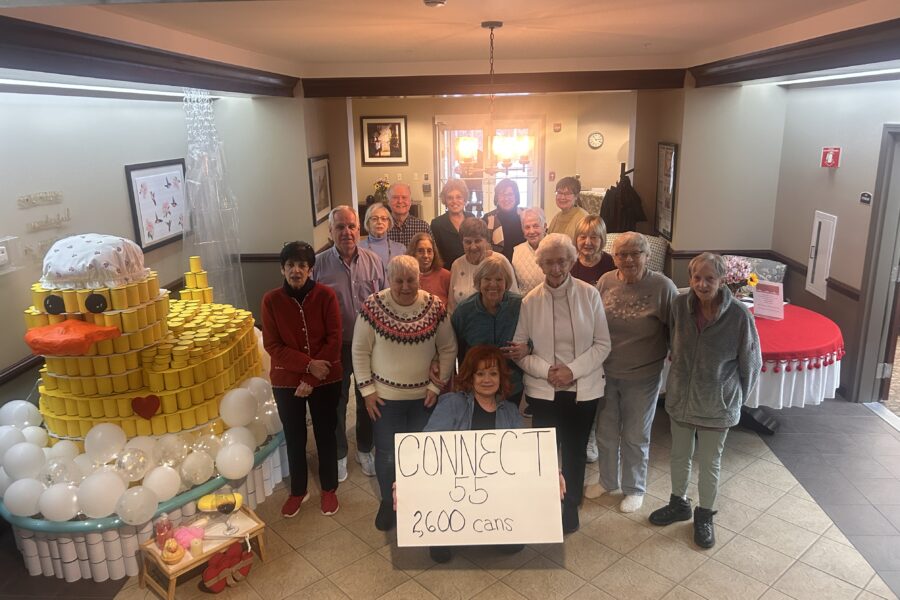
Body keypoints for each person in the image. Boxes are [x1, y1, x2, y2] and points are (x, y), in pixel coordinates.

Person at [648, 252, 761, 548]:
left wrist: (736, 399)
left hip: (717, 404)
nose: (702, 284)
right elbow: (673, 341)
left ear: (722, 280)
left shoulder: (738, 316)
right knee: (679, 456)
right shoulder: (678, 306)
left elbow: (751, 362)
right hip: (682, 398)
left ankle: (705, 514)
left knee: (710, 463)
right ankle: (679, 503)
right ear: (690, 279)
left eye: (710, 278)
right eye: (697, 278)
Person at [513, 233, 611, 534]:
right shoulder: (530, 301)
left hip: (584, 388)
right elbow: (518, 350)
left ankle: (569, 506)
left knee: (575, 449)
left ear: (571, 261)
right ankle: (544, 502)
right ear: (540, 265)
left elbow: (602, 344)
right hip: (544, 391)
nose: (556, 268)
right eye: (549, 262)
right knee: (544, 451)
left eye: (562, 261)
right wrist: (546, 371)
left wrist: (571, 371)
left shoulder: (589, 294)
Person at [352, 255, 457, 532]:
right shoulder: (373, 306)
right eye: (399, 280)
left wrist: (437, 385)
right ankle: (390, 502)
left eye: (411, 279)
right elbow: (359, 350)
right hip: (385, 400)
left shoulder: (434, 306)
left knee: (421, 456)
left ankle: (419, 503)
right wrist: (367, 390)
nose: (405, 286)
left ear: (419, 278)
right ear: (389, 279)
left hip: (425, 399)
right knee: (387, 455)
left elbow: (448, 348)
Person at [586, 232, 678, 514]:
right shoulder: (606, 281)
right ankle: (607, 481)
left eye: (635, 253)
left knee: (636, 435)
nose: (627, 259)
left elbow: (676, 332)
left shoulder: (663, 287)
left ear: (647, 256)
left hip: (643, 375)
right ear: (613, 257)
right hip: (605, 372)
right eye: (621, 254)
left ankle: (634, 488)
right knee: (606, 431)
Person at [421, 345, 525, 563]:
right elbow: (427, 444)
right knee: (440, 554)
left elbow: (524, 454)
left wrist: (552, 472)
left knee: (514, 546)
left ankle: (488, 521)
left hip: (495, 487)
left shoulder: (511, 413)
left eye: (493, 373)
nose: (487, 379)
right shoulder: (452, 404)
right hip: (453, 487)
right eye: (480, 373)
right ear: (470, 376)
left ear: (501, 377)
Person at [261, 242, 343, 518]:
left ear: (310, 269)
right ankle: (299, 490)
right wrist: (307, 366)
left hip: (325, 376)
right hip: (287, 380)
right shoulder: (270, 300)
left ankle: (329, 487)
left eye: (302, 265)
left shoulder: (326, 295)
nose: (296, 270)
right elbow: (273, 345)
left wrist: (312, 376)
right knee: (295, 437)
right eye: (290, 265)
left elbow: (334, 339)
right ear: (282, 269)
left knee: (325, 433)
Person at [313, 206, 385, 483]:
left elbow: (383, 304)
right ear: (330, 232)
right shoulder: (318, 266)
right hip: (336, 346)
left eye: (351, 226)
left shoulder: (374, 262)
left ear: (359, 229)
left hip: (369, 345)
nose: (347, 232)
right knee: (337, 402)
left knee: (369, 399)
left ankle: (365, 448)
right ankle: (340, 453)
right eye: (340, 227)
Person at [451, 255, 527, 407]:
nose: (493, 284)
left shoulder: (520, 305)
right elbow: (454, 349)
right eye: (487, 279)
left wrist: (528, 347)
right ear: (478, 282)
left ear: (506, 283)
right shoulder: (464, 311)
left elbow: (535, 337)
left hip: (512, 384)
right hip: (476, 385)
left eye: (499, 280)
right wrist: (458, 380)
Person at [448, 217, 518, 313]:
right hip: (462, 325)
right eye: (468, 242)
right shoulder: (457, 265)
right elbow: (452, 306)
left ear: (486, 241)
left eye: (477, 241)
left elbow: (514, 301)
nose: (473, 247)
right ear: (462, 242)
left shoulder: (500, 261)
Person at [430, 179, 474, 267]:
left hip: (471, 270)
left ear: (464, 199)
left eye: (459, 197)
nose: (454, 201)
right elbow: (436, 255)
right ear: (445, 201)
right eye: (450, 198)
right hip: (448, 273)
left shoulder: (471, 218)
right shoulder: (437, 224)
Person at [483, 178, 525, 261]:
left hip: (523, 264)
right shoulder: (487, 219)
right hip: (497, 266)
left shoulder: (525, 216)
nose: (506, 198)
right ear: (497, 198)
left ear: (516, 196)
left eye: (510, 194)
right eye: (502, 194)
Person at [511, 207, 546, 295]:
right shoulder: (517, 251)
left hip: (552, 305)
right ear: (522, 229)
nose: (531, 231)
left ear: (544, 226)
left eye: (535, 226)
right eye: (527, 227)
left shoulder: (556, 249)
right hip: (525, 306)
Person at [408, 232, 450, 306]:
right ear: (413, 253)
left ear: (434, 253)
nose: (426, 255)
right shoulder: (406, 276)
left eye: (429, 251)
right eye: (420, 251)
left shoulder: (446, 276)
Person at [571, 215, 615, 285]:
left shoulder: (611, 263)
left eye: (593, 237)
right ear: (576, 239)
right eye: (583, 237)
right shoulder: (569, 263)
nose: (587, 242)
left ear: (602, 240)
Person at [386, 182, 431, 248]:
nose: (400, 201)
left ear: (410, 202)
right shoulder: (381, 228)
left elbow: (432, 255)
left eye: (404, 197)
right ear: (388, 202)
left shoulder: (423, 228)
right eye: (395, 197)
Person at [547, 176, 588, 242]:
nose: (562, 197)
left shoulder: (583, 219)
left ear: (576, 196)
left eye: (567, 193)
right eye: (559, 193)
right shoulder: (557, 216)